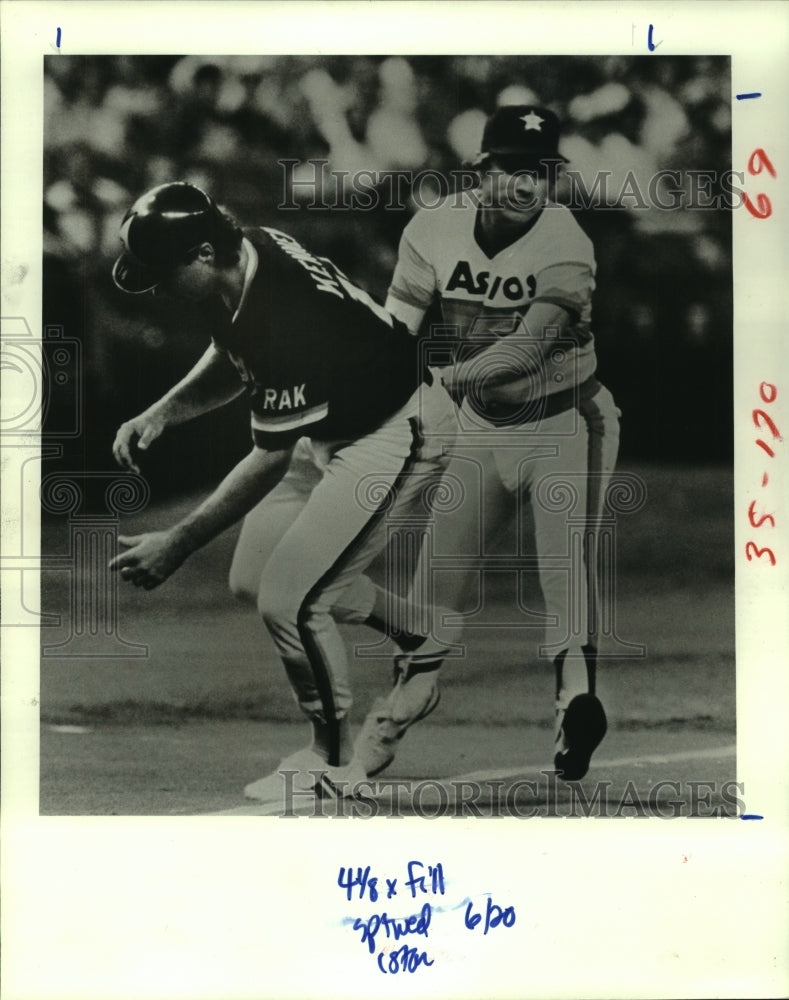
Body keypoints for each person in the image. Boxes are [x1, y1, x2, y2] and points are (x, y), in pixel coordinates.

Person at [108, 181, 457, 805]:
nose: (156, 289)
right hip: (335, 419)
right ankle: (421, 633)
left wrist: (179, 542)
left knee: (290, 600)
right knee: (255, 577)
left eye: (162, 274)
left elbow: (268, 459)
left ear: (204, 254)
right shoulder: (240, 254)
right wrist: (165, 410)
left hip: (395, 427)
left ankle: (330, 761)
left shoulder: (283, 305)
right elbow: (234, 352)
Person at [355, 106, 621, 781]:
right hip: (479, 425)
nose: (527, 183)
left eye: (540, 171)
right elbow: (393, 333)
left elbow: (526, 350)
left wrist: (439, 380)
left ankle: (575, 704)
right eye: (512, 168)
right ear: (480, 170)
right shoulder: (433, 226)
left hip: (565, 420)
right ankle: (404, 700)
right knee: (431, 587)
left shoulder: (565, 241)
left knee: (566, 568)